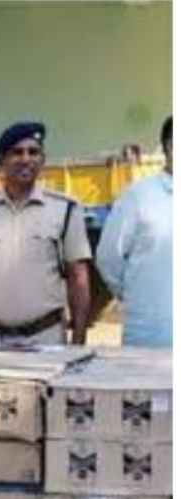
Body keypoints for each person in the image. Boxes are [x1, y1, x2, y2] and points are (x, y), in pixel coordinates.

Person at [0, 121, 92, 350]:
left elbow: (78, 278)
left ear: (42, 160)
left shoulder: (65, 210)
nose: (26, 159)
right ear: (1, 161)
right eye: (17, 152)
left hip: (46, 339)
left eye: (33, 152)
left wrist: (78, 342)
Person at [96, 116, 173, 347]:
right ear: (170, 147)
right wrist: (137, 295)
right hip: (151, 338)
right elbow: (109, 258)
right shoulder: (139, 196)